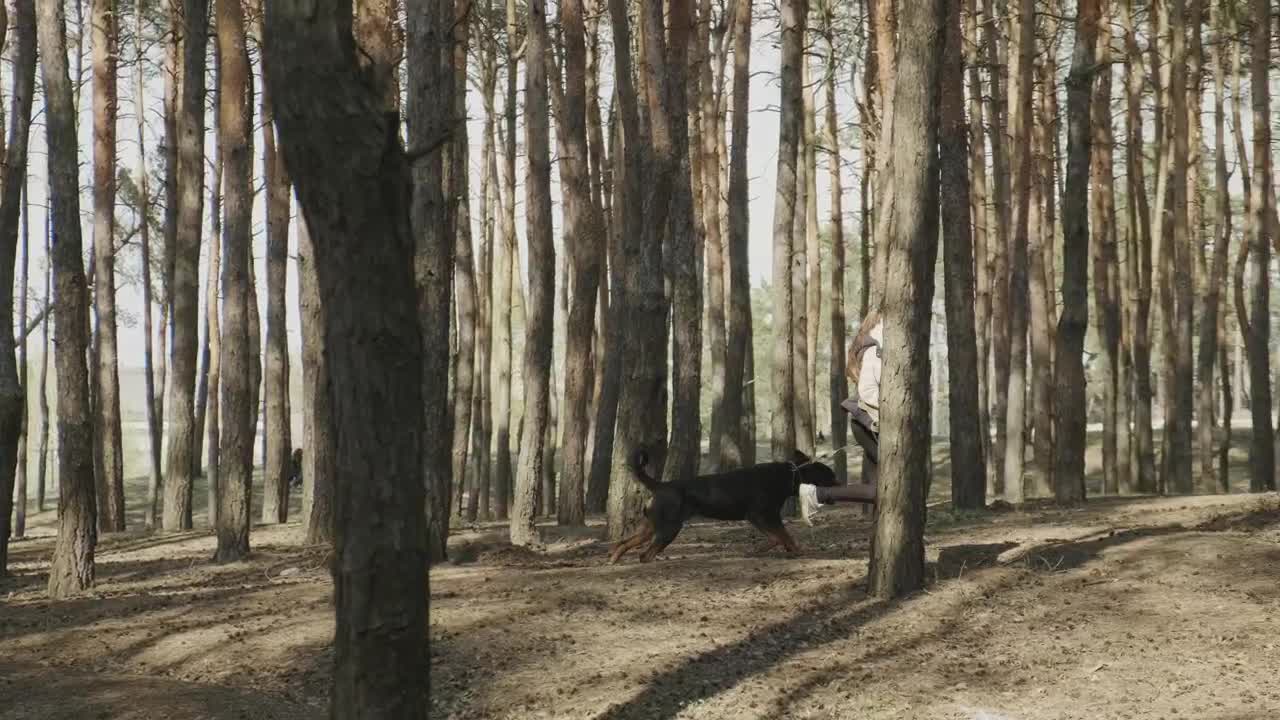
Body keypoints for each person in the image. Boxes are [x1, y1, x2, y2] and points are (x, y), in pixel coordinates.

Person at [799, 310, 881, 524]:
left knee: (882, 489)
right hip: (870, 423)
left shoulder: (874, 347)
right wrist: (884, 419)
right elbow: (868, 391)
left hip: (867, 422)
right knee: (891, 489)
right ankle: (818, 494)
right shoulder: (874, 349)